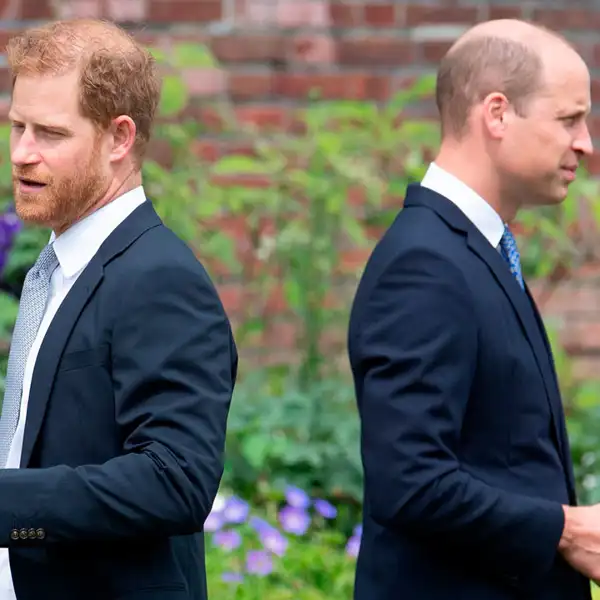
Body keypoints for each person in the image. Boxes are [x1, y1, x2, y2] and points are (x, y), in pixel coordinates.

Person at [348, 18, 600, 600]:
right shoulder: (426, 265)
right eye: (568, 119)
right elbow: (409, 482)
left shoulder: (473, 250)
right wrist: (563, 530)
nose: (585, 142)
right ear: (497, 114)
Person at [0, 17, 237, 600]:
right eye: (17, 127)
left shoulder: (160, 277)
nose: (23, 154)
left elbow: (176, 479)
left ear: (119, 138)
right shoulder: (54, 269)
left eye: (50, 134)